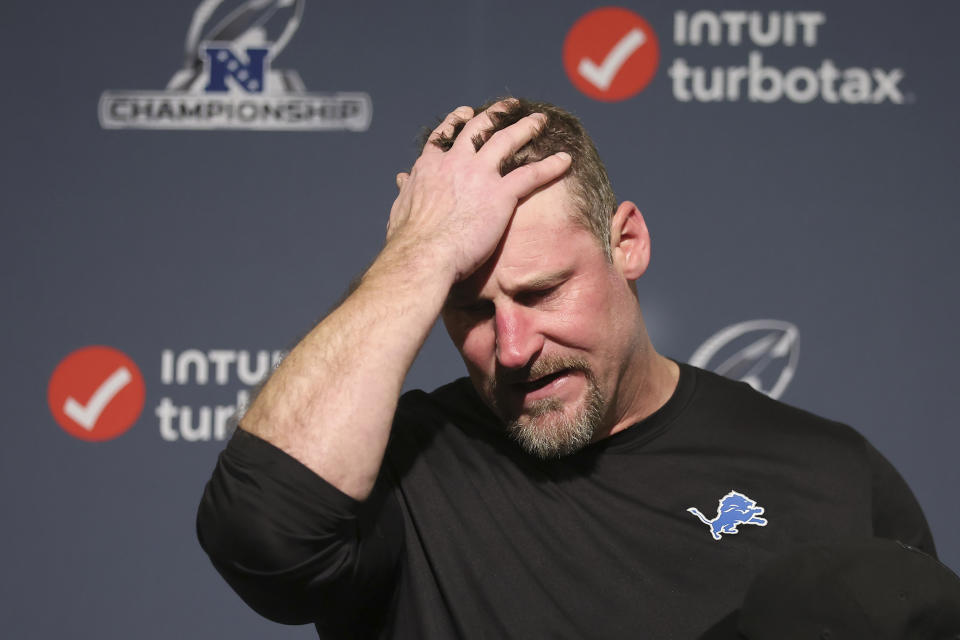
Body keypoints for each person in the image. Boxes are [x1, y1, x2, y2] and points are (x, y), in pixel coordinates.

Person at [197, 98, 935, 639]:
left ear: (629, 243)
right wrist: (418, 255)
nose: (514, 346)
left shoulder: (828, 470)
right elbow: (260, 538)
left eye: (542, 291)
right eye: (470, 307)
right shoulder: (402, 475)